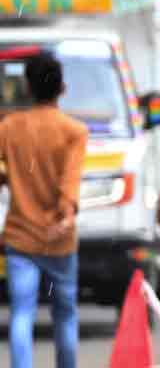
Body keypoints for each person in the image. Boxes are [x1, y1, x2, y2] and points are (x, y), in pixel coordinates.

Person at [0, 53, 89, 368]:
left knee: (21, 314)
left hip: (20, 239)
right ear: (62, 87)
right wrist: (65, 216)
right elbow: (69, 181)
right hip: (59, 240)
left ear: (27, 86)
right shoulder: (74, 131)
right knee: (65, 314)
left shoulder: (9, 128)